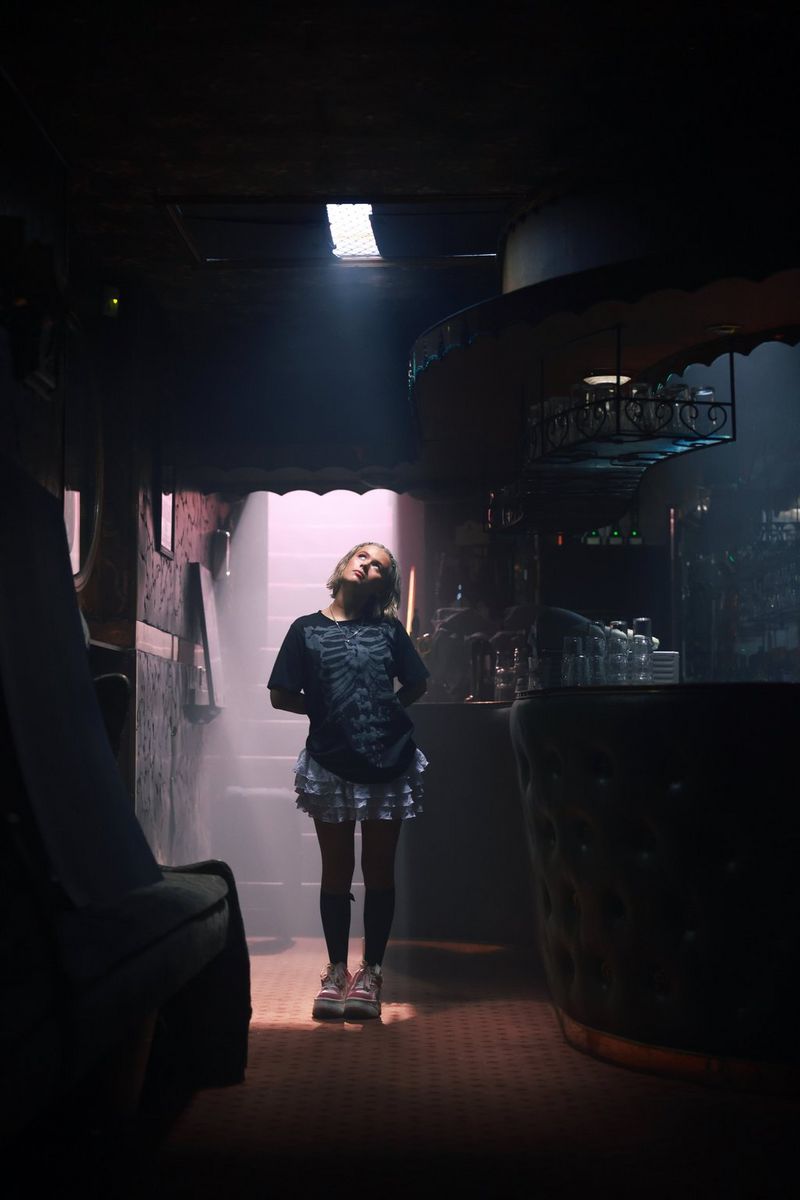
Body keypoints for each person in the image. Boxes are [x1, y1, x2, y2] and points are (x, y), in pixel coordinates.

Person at [268, 542, 429, 1020]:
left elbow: (417, 682)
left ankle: (372, 972)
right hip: (331, 759)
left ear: (385, 586)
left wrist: (387, 711)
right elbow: (280, 695)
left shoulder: (389, 631)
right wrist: (325, 711)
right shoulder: (305, 629)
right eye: (363, 555)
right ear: (343, 565)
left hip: (389, 760)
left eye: (380, 564)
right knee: (335, 870)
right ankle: (336, 971)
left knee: (379, 870)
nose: (369, 564)